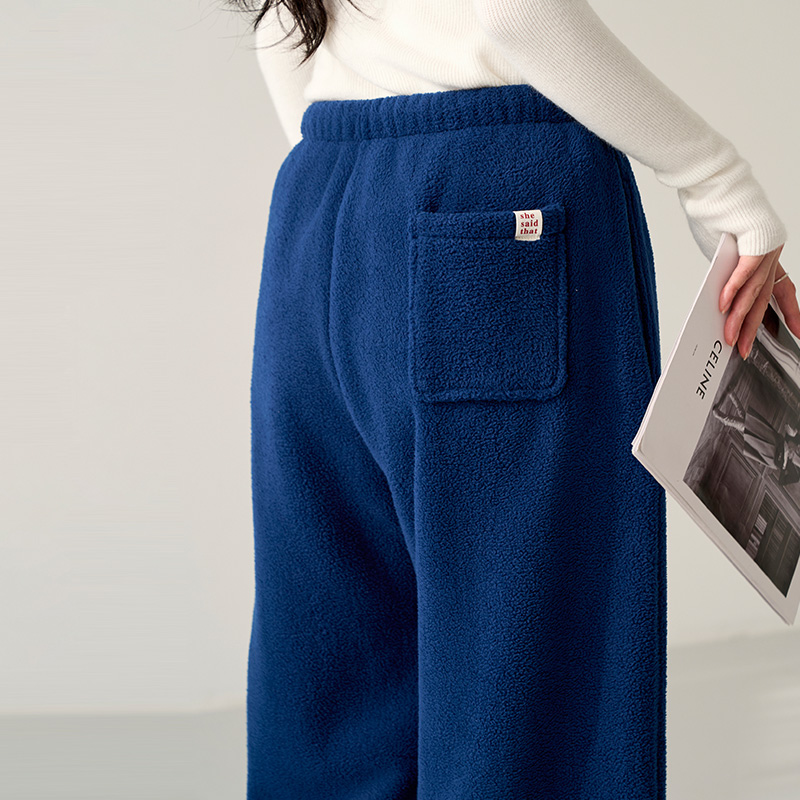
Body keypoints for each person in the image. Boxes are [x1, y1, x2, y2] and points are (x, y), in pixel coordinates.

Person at [229, 2, 797, 798]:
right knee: (522, 685)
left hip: (320, 204)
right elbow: (510, 10)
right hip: (491, 195)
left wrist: (362, 197)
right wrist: (719, 184)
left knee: (335, 674)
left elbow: (277, 28)